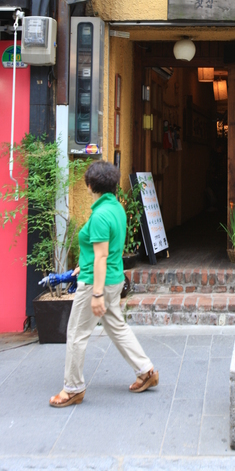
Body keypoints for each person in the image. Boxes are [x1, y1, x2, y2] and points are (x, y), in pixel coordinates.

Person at [49, 161, 158, 408]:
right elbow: (104, 249)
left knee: (76, 333)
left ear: (90, 185)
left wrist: (96, 294)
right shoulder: (116, 208)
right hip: (113, 279)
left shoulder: (99, 215)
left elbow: (101, 255)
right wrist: (81, 266)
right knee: (116, 326)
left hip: (97, 284)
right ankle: (146, 370)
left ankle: (73, 388)